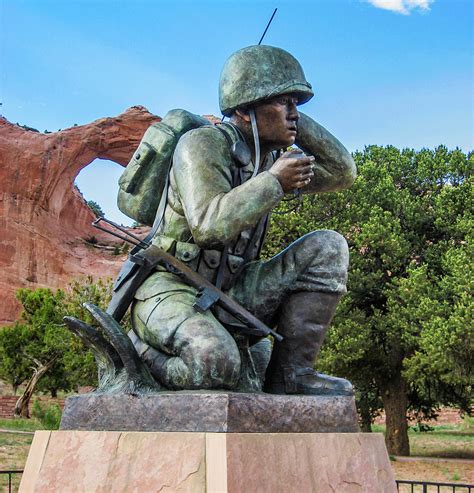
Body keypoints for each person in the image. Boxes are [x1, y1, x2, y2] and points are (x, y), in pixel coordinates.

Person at [130, 45, 357, 395]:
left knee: (328, 247)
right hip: (172, 287)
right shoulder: (202, 143)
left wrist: (288, 114)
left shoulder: (269, 159)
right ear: (244, 106)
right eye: (284, 103)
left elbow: (342, 172)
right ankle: (139, 356)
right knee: (215, 364)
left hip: (232, 288)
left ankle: (292, 377)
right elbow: (207, 225)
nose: (294, 113)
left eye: (297, 104)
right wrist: (274, 181)